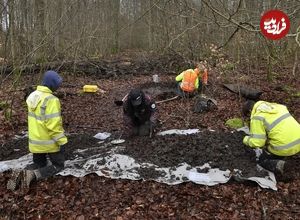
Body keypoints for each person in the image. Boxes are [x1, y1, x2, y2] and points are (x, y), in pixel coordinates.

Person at [7, 70, 68, 191]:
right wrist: (62, 142)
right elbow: (53, 126)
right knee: (58, 165)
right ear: (52, 84)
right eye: (57, 84)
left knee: (39, 163)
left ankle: (20, 173)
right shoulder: (52, 100)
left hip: (35, 143)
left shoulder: (32, 96)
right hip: (49, 143)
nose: (58, 87)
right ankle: (33, 175)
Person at [242, 100, 300, 175]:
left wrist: (245, 139)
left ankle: (279, 165)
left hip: (284, 148)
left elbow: (257, 143)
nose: (249, 118)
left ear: (250, 111)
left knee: (260, 159)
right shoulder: (279, 107)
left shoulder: (257, 117)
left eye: (248, 115)